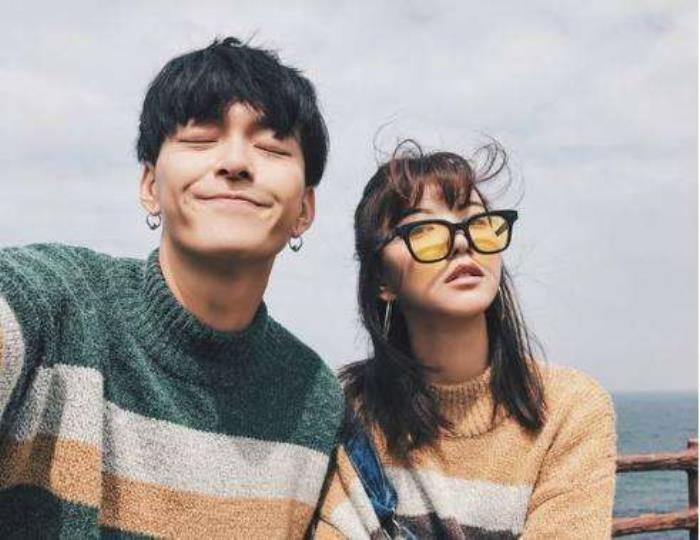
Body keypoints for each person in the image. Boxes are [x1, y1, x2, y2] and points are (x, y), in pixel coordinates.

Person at [0, 37, 344, 538]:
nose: (235, 163)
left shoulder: (315, 398)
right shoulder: (55, 307)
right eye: (201, 139)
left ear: (305, 211)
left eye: (271, 147)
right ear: (149, 186)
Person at [314, 141, 617, 539]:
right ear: (381, 280)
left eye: (478, 223)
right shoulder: (343, 412)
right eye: (424, 230)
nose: (462, 242)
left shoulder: (569, 409)